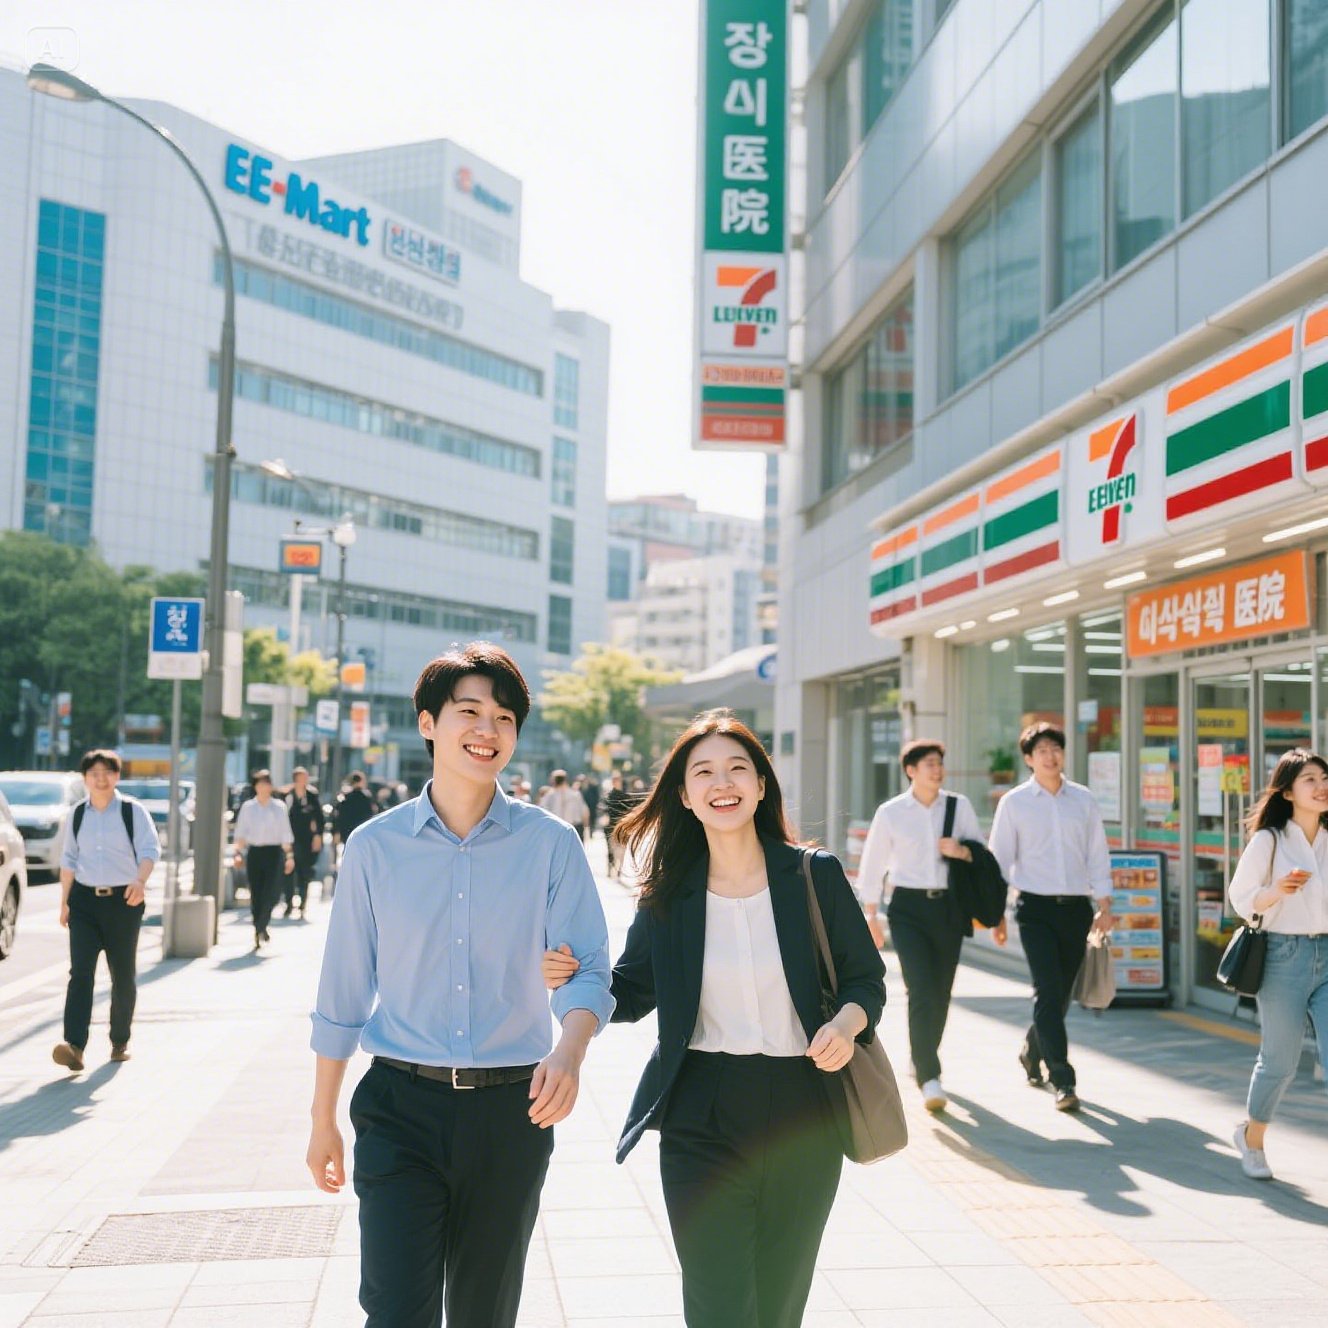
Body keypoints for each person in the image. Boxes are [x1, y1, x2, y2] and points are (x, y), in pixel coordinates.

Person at [306, 642, 613, 1328]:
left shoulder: (551, 844)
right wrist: (322, 1118)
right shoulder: (374, 848)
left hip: (512, 1112)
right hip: (398, 1108)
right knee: (395, 1312)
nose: (487, 730)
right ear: (427, 723)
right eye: (468, 711)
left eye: (504, 718)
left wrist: (570, 1049)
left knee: (484, 1314)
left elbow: (588, 964)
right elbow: (343, 992)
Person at [544, 712, 884, 1328]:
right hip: (701, 1110)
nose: (721, 783)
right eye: (703, 772)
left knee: (779, 1300)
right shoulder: (669, 892)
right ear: (684, 795)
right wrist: (576, 977)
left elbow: (866, 980)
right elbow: (634, 989)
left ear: (759, 785)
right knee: (716, 1303)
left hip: (803, 1107)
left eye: (736, 769)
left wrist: (846, 1025)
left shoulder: (815, 874)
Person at [989, 722, 1114, 1112]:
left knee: (1060, 996)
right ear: (1029, 759)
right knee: (1047, 989)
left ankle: (1032, 1050)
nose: (1050, 755)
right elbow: (1000, 859)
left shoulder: (1083, 800)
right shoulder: (1014, 803)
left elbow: (1097, 851)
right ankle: (1063, 1079)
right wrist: (997, 914)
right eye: (1041, 750)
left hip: (1076, 908)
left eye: (1055, 748)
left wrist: (1105, 902)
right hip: (1034, 909)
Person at [855, 739, 985, 1114]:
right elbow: (873, 863)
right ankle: (930, 1074)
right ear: (911, 770)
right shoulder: (892, 812)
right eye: (929, 763)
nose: (937, 769)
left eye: (940, 763)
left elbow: (981, 855)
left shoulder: (958, 807)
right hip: (908, 909)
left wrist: (960, 851)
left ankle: (922, 1053)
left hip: (949, 907)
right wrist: (871, 913)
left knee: (941, 991)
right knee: (922, 988)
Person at [1228, 748, 1328, 1181]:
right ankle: (1252, 1139)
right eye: (1310, 779)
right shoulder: (1269, 840)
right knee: (1280, 1062)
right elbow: (1242, 897)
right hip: (1284, 957)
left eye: (1324, 778)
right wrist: (1277, 890)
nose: (1321, 786)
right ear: (1287, 791)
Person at [52, 748, 161, 1072]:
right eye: (93, 774)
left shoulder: (132, 811)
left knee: (122, 974)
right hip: (84, 902)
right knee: (80, 973)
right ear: (85, 778)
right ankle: (74, 1045)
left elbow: (149, 849)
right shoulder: (78, 814)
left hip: (123, 901)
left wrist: (140, 882)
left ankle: (119, 1041)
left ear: (116, 776)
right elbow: (69, 858)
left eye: (107, 773)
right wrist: (65, 902)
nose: (100, 779)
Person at [232, 769, 294, 950]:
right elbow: (241, 832)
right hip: (255, 853)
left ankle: (262, 925)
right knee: (256, 892)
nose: (263, 787)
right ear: (255, 787)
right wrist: (237, 853)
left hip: (274, 853)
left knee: (273, 892)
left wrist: (289, 856)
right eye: (260, 784)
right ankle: (258, 927)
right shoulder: (248, 807)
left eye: (266, 783)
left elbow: (285, 833)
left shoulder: (279, 807)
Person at [282, 766, 323, 918]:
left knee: (304, 872)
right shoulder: (287, 795)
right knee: (288, 872)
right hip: (289, 839)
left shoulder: (312, 795)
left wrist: (318, 836)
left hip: (306, 839)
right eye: (301, 777)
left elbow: (319, 817)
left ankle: (302, 904)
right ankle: (288, 903)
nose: (304, 780)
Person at [332, 770, 377, 852]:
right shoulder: (366, 797)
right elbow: (371, 814)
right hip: (361, 832)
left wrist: (337, 831)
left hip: (347, 832)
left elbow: (339, 815)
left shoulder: (344, 796)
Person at [601, 770, 633, 880]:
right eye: (614, 780)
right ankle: (611, 868)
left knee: (622, 849)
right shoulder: (609, 796)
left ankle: (619, 869)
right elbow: (603, 808)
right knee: (610, 849)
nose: (615, 782)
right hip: (610, 826)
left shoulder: (626, 796)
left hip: (622, 827)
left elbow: (630, 811)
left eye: (617, 780)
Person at [539, 769, 589, 839]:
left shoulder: (549, 795)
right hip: (573, 827)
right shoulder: (575, 794)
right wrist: (586, 826)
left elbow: (542, 811)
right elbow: (583, 811)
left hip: (557, 828)